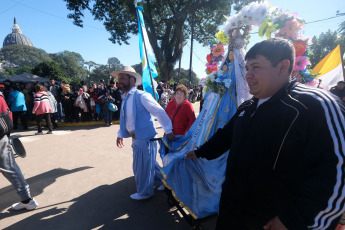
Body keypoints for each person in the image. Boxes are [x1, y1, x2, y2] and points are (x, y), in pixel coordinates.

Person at [186, 38, 345, 230]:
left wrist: (293, 220)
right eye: (246, 68)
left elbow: (337, 171)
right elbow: (226, 136)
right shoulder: (248, 107)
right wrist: (200, 152)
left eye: (256, 67)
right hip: (231, 213)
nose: (248, 75)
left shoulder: (315, 105)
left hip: (273, 221)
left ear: (282, 67)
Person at [114, 66, 176, 200]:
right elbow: (126, 119)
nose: (120, 81)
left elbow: (158, 111)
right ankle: (166, 182)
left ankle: (144, 193)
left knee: (141, 168)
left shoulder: (141, 96)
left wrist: (168, 130)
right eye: (119, 78)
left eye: (123, 78)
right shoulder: (125, 98)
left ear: (132, 80)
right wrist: (120, 134)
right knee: (149, 164)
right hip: (136, 138)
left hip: (146, 138)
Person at [0, 92, 38, 210]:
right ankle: (27, 200)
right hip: (2, 136)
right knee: (11, 169)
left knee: (11, 169)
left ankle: (27, 200)